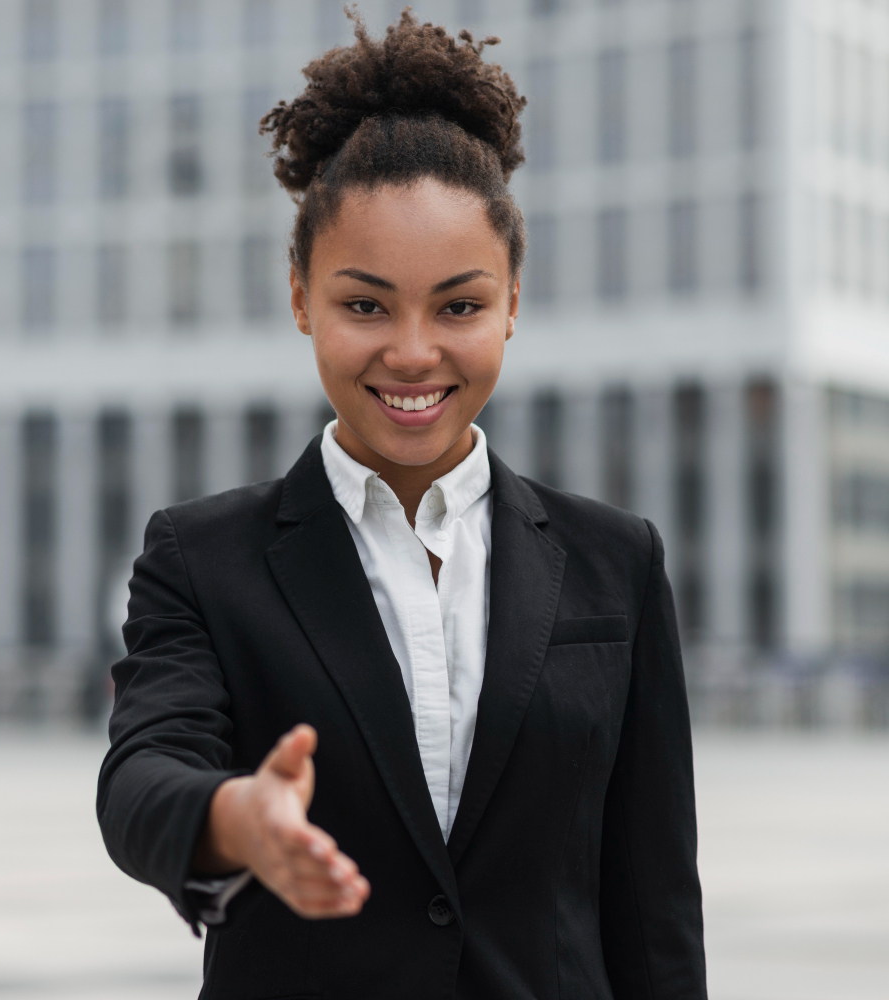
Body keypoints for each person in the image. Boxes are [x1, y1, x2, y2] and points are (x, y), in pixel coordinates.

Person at [97, 12, 707, 1000]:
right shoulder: (201, 556)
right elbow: (141, 775)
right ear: (300, 296)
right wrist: (238, 817)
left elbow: (656, 904)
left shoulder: (616, 561)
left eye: (459, 306)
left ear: (513, 298)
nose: (413, 352)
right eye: (365, 304)